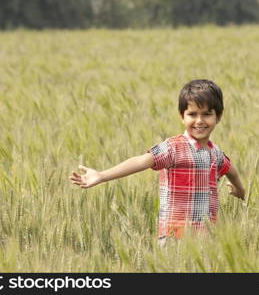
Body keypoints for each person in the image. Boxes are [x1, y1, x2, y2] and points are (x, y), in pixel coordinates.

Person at [69, 79, 245, 244]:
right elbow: (141, 161)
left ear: (218, 116)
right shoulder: (173, 148)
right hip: (173, 237)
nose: (199, 121)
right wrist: (102, 175)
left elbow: (230, 169)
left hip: (206, 236)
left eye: (207, 114)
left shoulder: (216, 153)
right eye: (192, 114)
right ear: (182, 116)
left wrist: (240, 189)